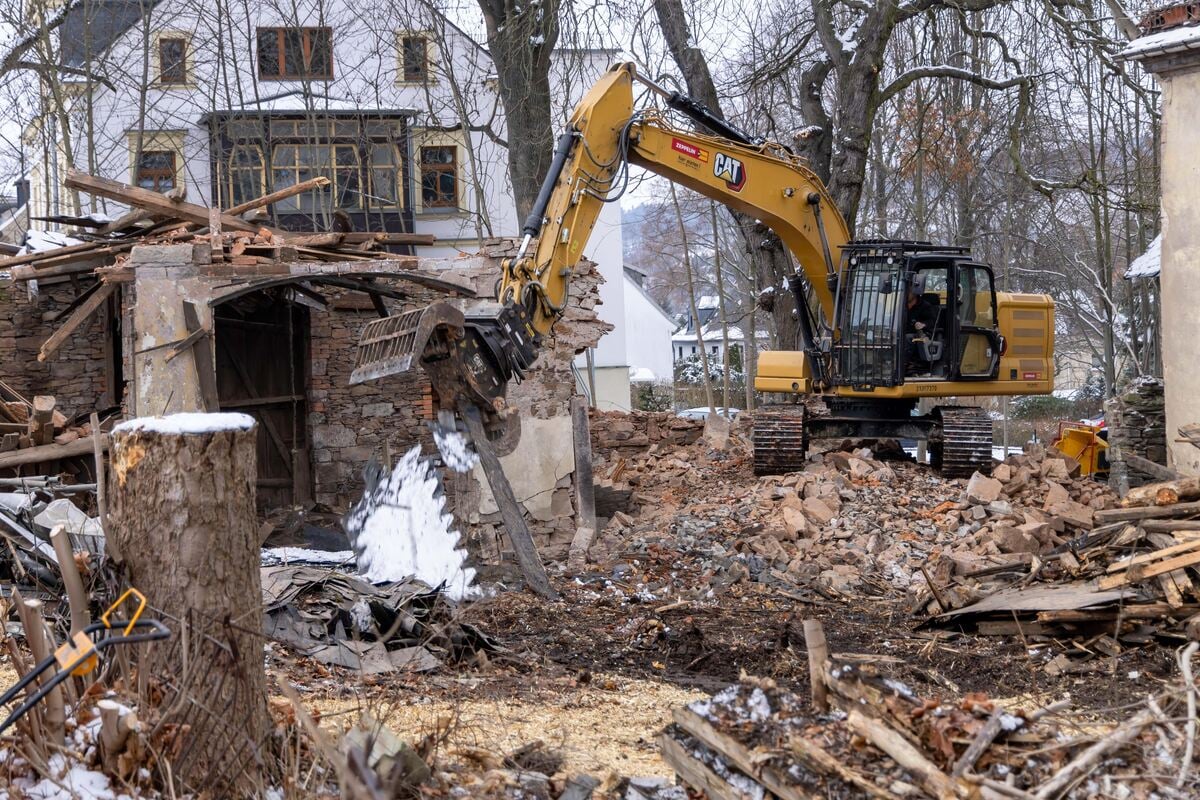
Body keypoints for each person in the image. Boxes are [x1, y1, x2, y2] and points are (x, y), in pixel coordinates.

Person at [906, 274, 940, 372]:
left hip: (922, 335)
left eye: (908, 290)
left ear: (915, 291)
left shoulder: (925, 306)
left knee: (907, 338)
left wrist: (923, 324)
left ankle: (904, 365)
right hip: (904, 332)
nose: (906, 293)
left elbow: (934, 322)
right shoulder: (902, 307)